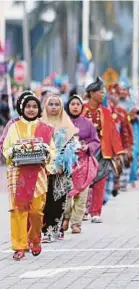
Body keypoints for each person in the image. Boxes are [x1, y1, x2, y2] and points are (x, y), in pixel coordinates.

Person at [2, 92, 56, 260]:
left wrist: (46, 154)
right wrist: (14, 152)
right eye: (28, 107)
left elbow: (52, 150)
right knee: (18, 210)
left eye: (34, 107)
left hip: (38, 174)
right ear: (22, 108)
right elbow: (6, 148)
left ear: (38, 109)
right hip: (18, 174)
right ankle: (19, 246)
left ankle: (35, 239)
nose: (31, 110)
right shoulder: (14, 127)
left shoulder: (45, 128)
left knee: (36, 212)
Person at [82, 77, 124, 223]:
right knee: (84, 181)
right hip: (84, 151)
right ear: (92, 93)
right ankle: (82, 210)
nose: (103, 95)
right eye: (101, 92)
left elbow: (113, 133)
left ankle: (96, 212)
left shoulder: (106, 112)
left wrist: (118, 153)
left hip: (103, 150)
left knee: (100, 181)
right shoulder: (81, 109)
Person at [40, 95, 79, 242]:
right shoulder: (40, 124)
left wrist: (61, 164)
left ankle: (54, 230)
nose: (54, 107)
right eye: (51, 104)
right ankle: (45, 230)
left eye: (57, 104)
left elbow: (71, 147)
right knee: (44, 199)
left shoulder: (67, 124)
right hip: (43, 168)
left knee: (58, 199)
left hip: (60, 169)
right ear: (46, 106)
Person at [63, 95, 100, 234]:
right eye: (72, 104)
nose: (75, 106)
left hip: (83, 163)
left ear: (81, 106)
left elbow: (96, 141)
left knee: (82, 193)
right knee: (65, 192)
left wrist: (88, 147)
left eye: (78, 104)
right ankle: (65, 217)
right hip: (66, 163)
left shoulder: (88, 123)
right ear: (68, 106)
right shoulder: (63, 123)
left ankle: (76, 223)